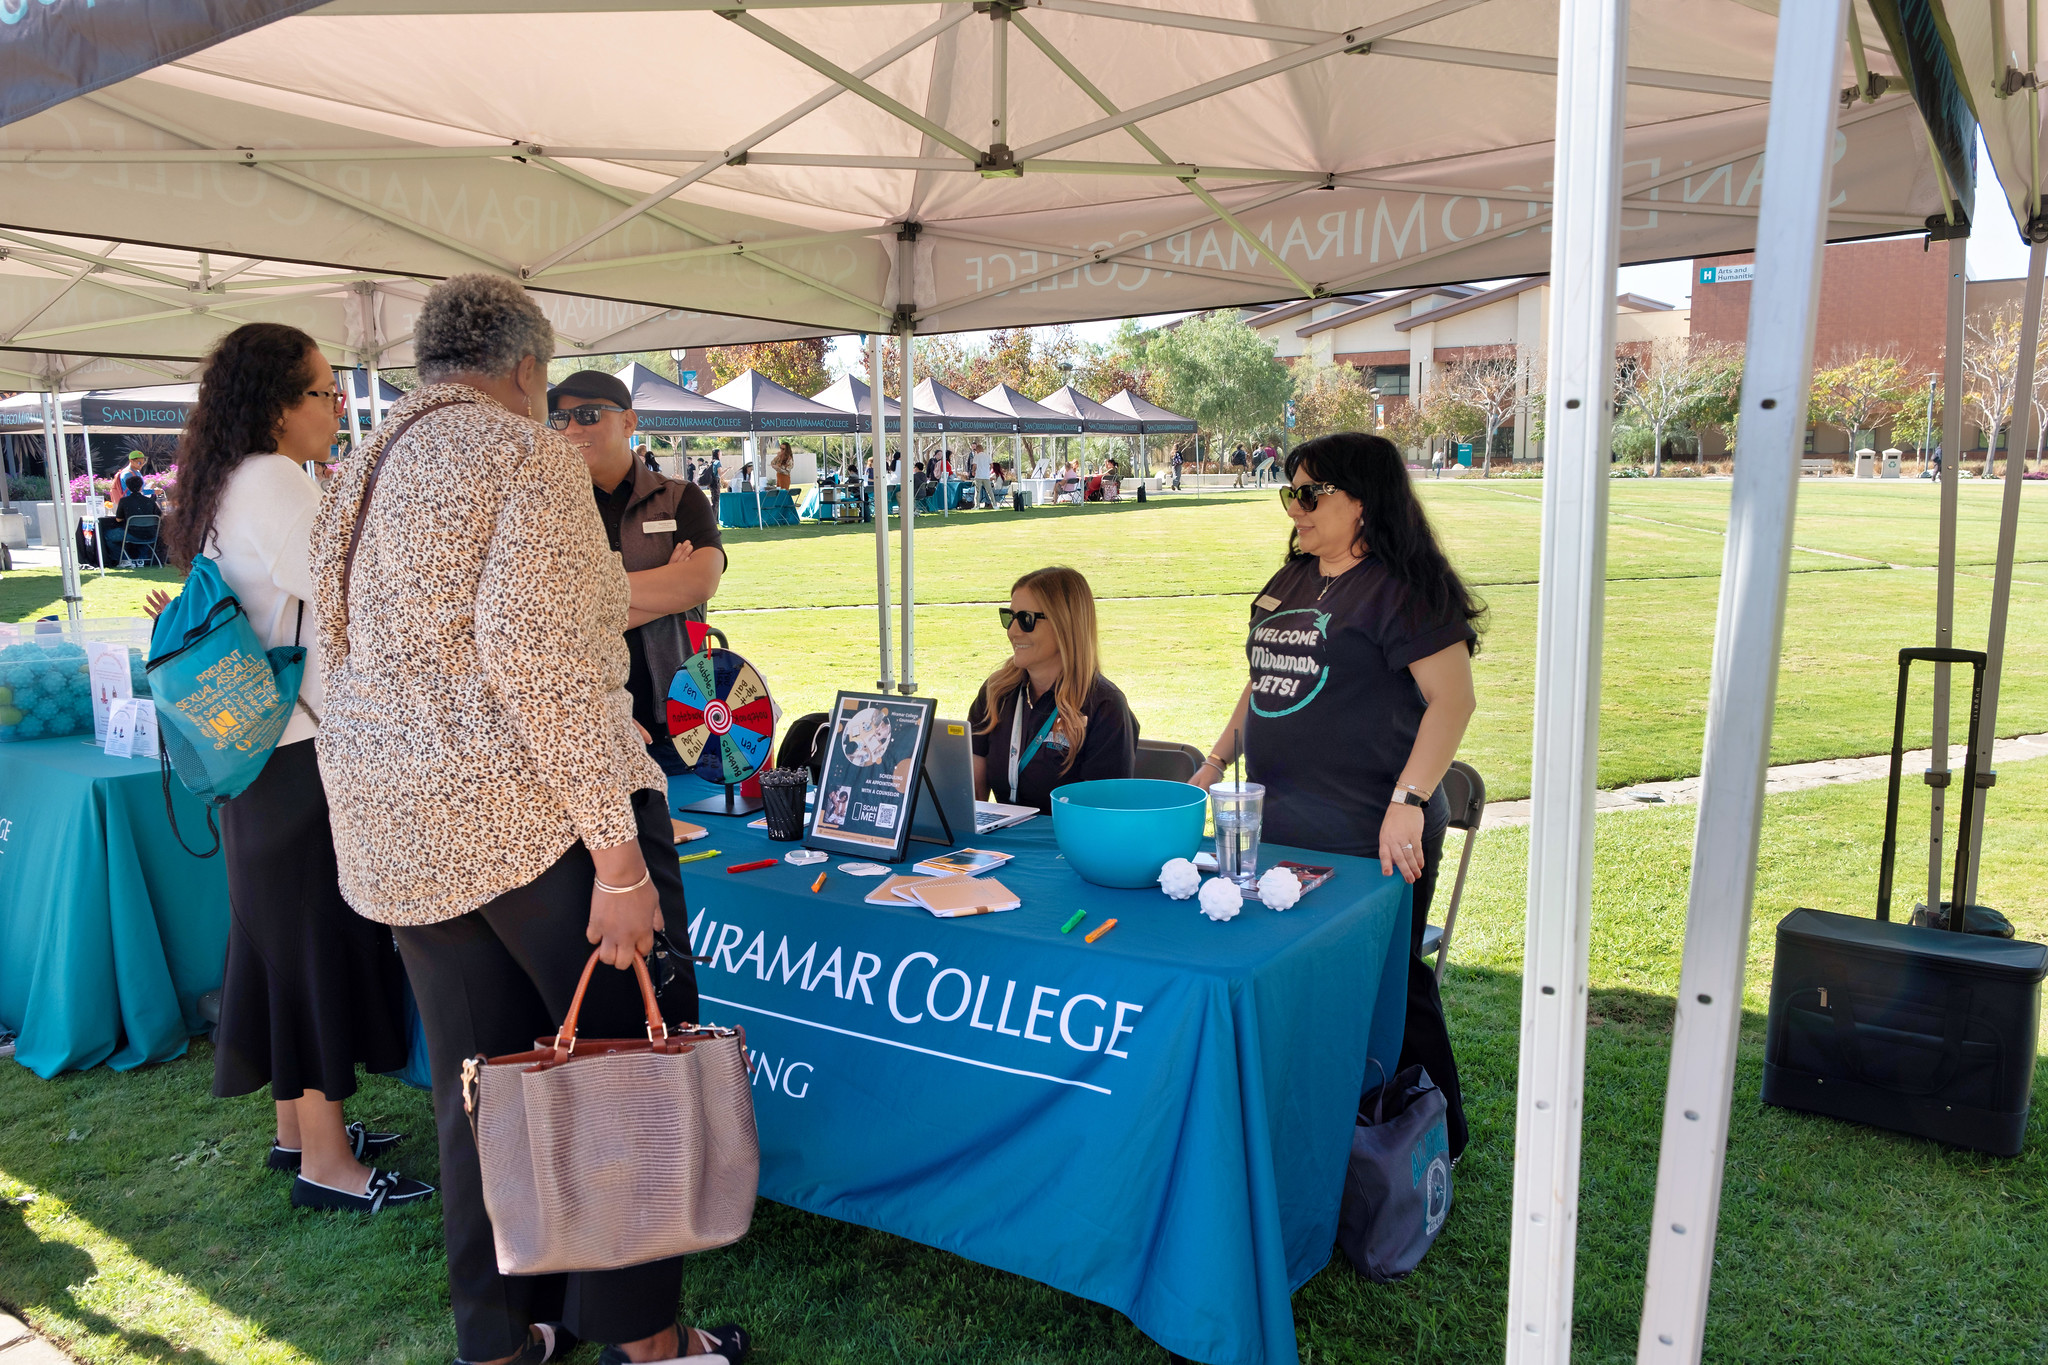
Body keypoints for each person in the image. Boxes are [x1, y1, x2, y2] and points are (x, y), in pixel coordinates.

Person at [309, 275, 745, 1365]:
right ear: (525, 369)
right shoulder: (527, 458)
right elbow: (543, 668)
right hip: (535, 824)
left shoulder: (362, 467)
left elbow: (344, 653)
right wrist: (618, 859)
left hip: (402, 832)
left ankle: (501, 1338)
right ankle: (648, 1343)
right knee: (626, 1071)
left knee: (483, 1095)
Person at [148, 322, 421, 1214]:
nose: (337, 405)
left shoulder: (231, 478)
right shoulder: (271, 479)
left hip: (263, 753)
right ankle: (327, 1166)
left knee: (278, 947)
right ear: (276, 405)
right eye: (321, 391)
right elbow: (356, 588)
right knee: (308, 951)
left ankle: (300, 1133)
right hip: (296, 754)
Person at [1193, 431, 1482, 1160]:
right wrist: (1216, 760)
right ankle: (1319, 1118)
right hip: (1283, 820)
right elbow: (1264, 683)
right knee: (1299, 968)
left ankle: (1435, 1128)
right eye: (1289, 491)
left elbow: (1452, 701)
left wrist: (1409, 799)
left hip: (1373, 826)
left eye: (1310, 493)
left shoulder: (1405, 589)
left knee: (1387, 977)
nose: (1294, 506)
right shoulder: (1289, 580)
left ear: (1363, 501)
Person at [548, 370, 726, 780]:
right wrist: (668, 589)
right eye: (559, 418)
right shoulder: (550, 510)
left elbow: (701, 582)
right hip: (593, 725)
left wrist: (593, 600)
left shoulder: (680, 498)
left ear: (629, 422)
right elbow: (557, 619)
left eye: (588, 414)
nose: (571, 428)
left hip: (684, 722)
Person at [969, 566, 1136, 812]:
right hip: (1003, 834)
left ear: (1065, 625)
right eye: (1009, 617)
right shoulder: (997, 693)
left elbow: (1101, 813)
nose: (1012, 631)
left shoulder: (1104, 706)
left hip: (1068, 836)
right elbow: (970, 799)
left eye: (1026, 620)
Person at [970, 439, 996, 509]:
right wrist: (988, 470)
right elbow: (991, 465)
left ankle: (977, 506)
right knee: (989, 491)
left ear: (978, 450)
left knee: (977, 491)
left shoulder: (976, 456)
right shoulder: (987, 456)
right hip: (986, 476)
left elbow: (974, 465)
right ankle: (994, 505)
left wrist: (973, 471)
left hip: (978, 476)